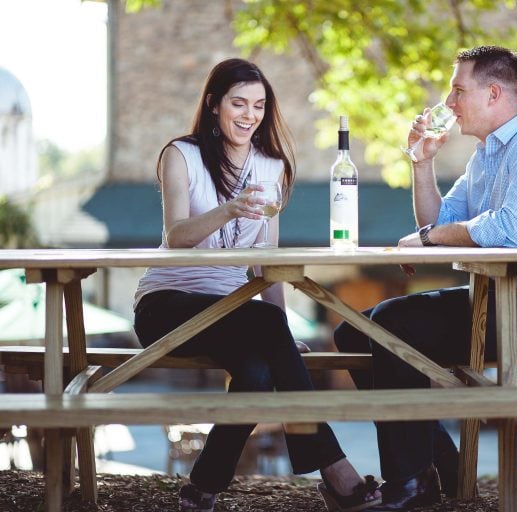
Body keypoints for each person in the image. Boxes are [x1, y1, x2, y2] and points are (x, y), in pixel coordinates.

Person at [334, 45, 517, 510]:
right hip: (495, 305)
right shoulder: (486, 155)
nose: (448, 103)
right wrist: (423, 162)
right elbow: (438, 221)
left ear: (493, 93)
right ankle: (445, 469)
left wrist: (431, 239)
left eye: (457, 90)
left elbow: (511, 230)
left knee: (389, 322)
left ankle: (412, 484)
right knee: (354, 330)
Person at [133, 58, 381, 512]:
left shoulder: (272, 167)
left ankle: (201, 489)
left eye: (259, 106)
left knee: (259, 371)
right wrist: (230, 208)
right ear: (213, 105)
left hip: (233, 313)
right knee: (263, 336)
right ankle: (333, 467)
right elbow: (176, 237)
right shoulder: (180, 155)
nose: (249, 115)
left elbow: (267, 266)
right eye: (238, 103)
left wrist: (281, 336)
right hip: (167, 307)